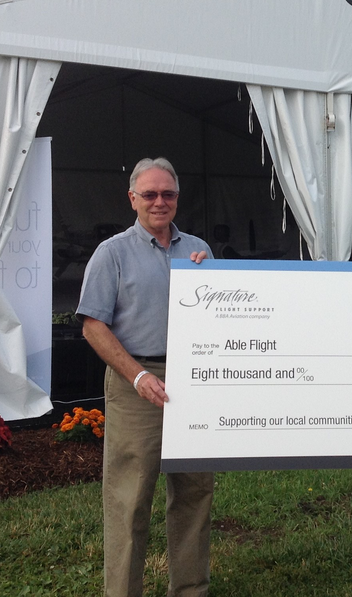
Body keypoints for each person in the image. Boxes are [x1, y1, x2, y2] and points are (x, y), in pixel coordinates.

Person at [77, 157, 214, 597]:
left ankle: (190, 589)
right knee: (130, 498)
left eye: (168, 194)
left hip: (194, 377)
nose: (159, 202)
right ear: (132, 198)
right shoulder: (112, 253)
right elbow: (92, 326)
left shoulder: (199, 249)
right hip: (136, 380)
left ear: (178, 198)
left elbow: (221, 313)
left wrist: (211, 275)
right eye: (150, 194)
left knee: (195, 493)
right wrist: (137, 377)